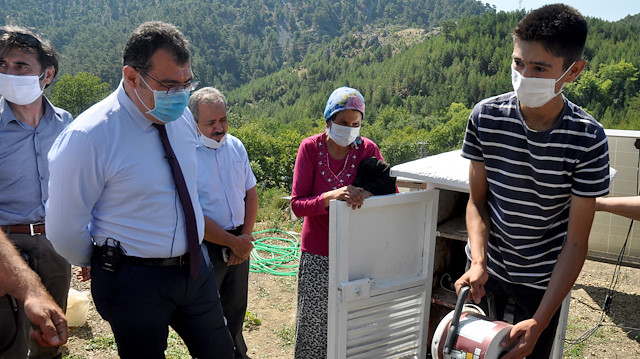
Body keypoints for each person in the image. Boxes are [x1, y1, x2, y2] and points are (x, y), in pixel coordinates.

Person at [46, 21, 234, 358]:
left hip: (195, 268)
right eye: (169, 85)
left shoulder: (180, 120)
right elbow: (63, 229)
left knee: (220, 352)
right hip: (134, 281)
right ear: (132, 77)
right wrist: (102, 257)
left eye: (187, 83)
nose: (180, 94)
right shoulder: (89, 137)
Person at [454, 4, 610, 359]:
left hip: (542, 283)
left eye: (539, 68)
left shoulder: (587, 138)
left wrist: (539, 322)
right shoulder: (486, 116)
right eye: (518, 63)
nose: (524, 75)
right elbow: (478, 202)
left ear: (573, 71)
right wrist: (479, 261)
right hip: (485, 272)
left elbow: (575, 242)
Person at [291, 86, 394, 358]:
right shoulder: (310, 148)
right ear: (328, 121)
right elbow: (298, 205)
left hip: (356, 253)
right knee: (314, 326)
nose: (349, 129)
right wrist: (330, 197)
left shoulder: (367, 149)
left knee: (353, 325)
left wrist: (367, 194)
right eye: (343, 122)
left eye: (355, 123)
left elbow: (389, 190)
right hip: (317, 253)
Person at [0, 25, 72, 359]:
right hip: (7, 246)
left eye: (20, 66)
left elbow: (76, 186)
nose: (8, 72)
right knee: (9, 340)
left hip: (56, 244)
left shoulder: (65, 124)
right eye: (3, 65)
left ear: (48, 74)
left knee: (52, 333)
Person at [189, 87, 258, 359]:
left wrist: (245, 238)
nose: (219, 128)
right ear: (194, 122)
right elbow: (192, 214)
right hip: (208, 245)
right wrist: (233, 243)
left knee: (236, 308)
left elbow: (250, 193)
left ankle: (237, 354)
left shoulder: (236, 146)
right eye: (210, 123)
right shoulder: (188, 156)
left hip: (240, 239)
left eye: (223, 120)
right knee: (207, 312)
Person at [0, 229, 67, 354]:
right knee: (11, 343)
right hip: (7, 236)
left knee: (50, 338)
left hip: (50, 237)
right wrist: (32, 292)